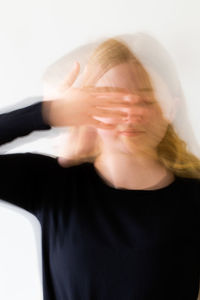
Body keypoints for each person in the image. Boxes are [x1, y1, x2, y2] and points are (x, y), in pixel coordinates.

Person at [0, 36, 200, 300]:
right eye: (112, 102)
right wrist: (48, 113)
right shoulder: (54, 186)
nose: (130, 114)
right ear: (85, 110)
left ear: (170, 109)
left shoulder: (194, 200)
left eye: (145, 100)